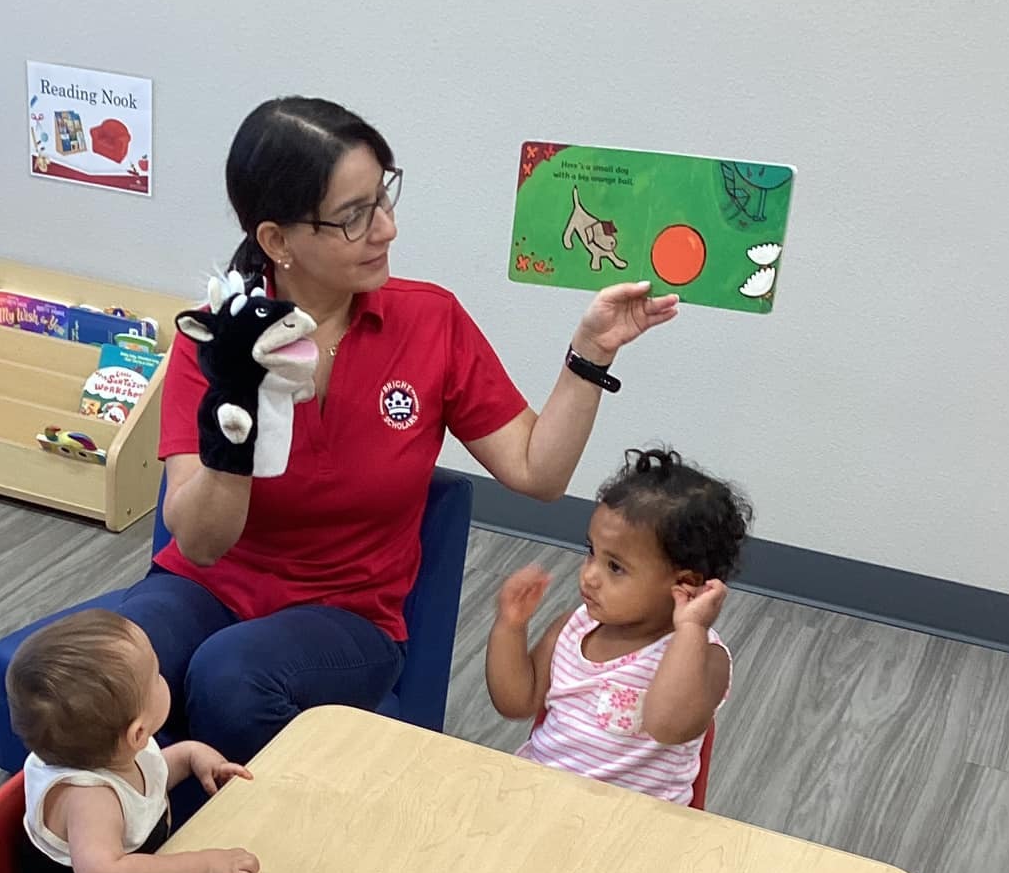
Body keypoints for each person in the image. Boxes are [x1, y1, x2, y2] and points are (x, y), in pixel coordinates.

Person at [107, 94, 678, 765]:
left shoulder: (429, 323)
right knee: (99, 673)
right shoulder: (218, 339)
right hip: (204, 588)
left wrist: (591, 354)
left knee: (230, 679)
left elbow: (536, 471)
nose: (386, 229)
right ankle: (103, 860)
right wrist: (239, 410)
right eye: (354, 216)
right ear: (277, 241)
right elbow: (199, 544)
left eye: (383, 198)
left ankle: (276, 852)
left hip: (348, 618)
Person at [486, 446, 751, 805]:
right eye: (591, 551)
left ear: (686, 583)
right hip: (540, 799)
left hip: (633, 828)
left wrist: (690, 628)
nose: (590, 575)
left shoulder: (703, 656)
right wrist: (510, 627)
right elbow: (515, 702)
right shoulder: (573, 628)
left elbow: (668, 726)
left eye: (615, 567)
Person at [6, 608, 258, 873]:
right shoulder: (89, 799)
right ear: (138, 733)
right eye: (156, 675)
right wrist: (208, 868)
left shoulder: (108, 749)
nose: (163, 676)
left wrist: (188, 756)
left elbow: (140, 787)